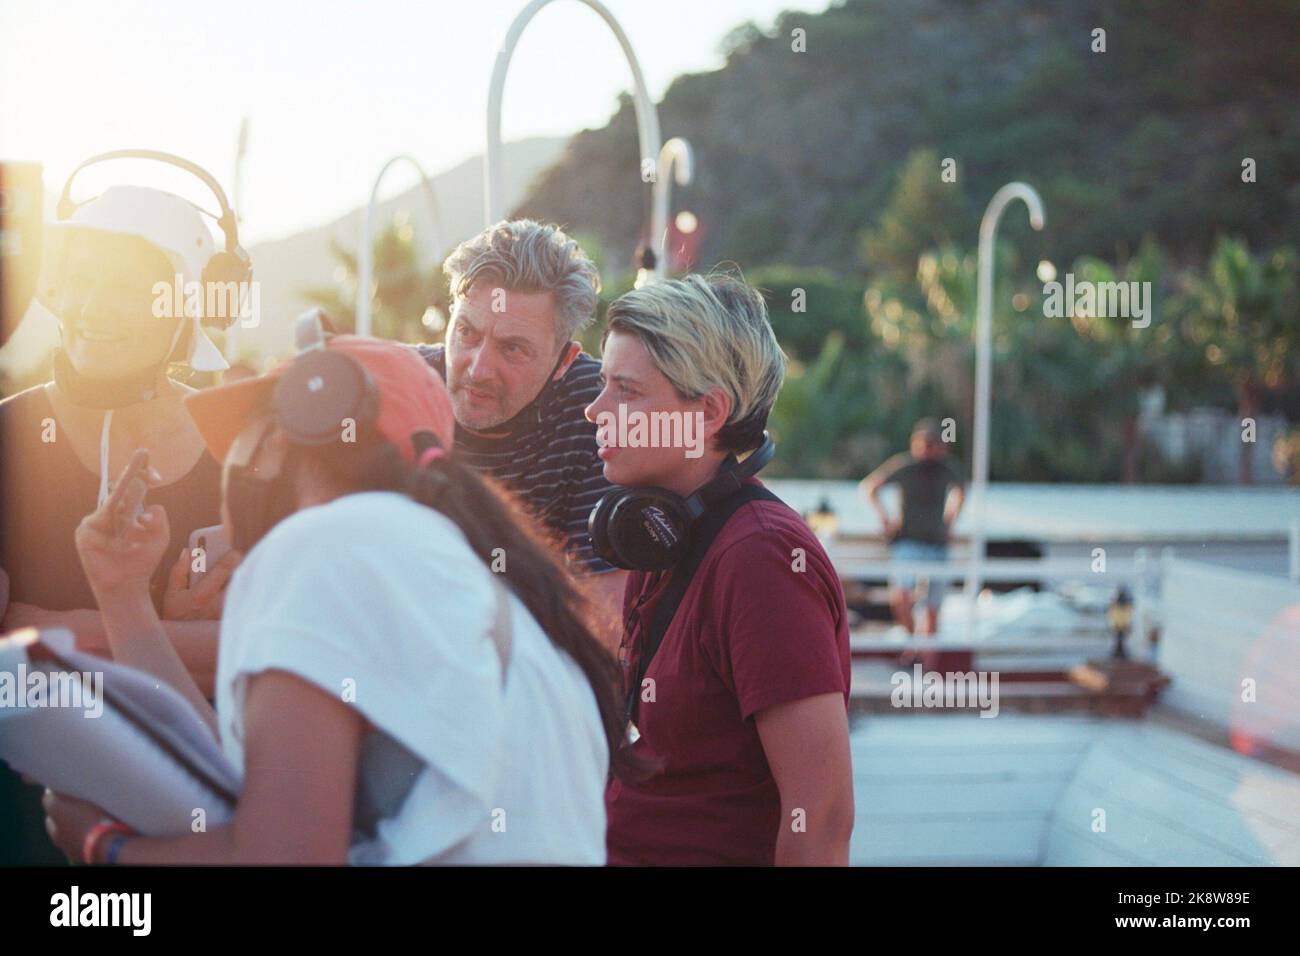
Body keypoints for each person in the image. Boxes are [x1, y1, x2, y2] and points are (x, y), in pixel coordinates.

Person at [41, 331, 627, 864]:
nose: (232, 467)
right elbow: (236, 781)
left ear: (280, 444)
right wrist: (123, 595)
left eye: (242, 440)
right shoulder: (485, 588)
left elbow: (285, 856)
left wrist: (106, 848)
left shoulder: (327, 543)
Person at [0, 181, 241, 864]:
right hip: (21, 813)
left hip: (191, 820)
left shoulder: (241, 448)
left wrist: (68, 628)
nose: (89, 308)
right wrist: (163, 636)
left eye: (122, 288)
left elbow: (263, 646)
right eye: (77, 282)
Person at [589, 272, 854, 866]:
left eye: (625, 391)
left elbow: (823, 819)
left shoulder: (762, 561)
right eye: (603, 384)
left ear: (707, 412)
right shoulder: (664, 539)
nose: (595, 409)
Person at [417, 220, 625, 640]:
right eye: (466, 333)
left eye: (512, 348)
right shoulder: (402, 386)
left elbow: (605, 624)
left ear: (564, 362)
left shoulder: (599, 411)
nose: (478, 369)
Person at [859, 418, 966, 636]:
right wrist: (884, 518)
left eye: (933, 444)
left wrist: (950, 520)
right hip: (907, 541)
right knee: (901, 596)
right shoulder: (905, 466)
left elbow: (962, 490)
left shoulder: (947, 468)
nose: (928, 449)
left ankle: (925, 660)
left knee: (933, 607)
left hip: (936, 544)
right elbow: (870, 487)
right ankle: (912, 645)